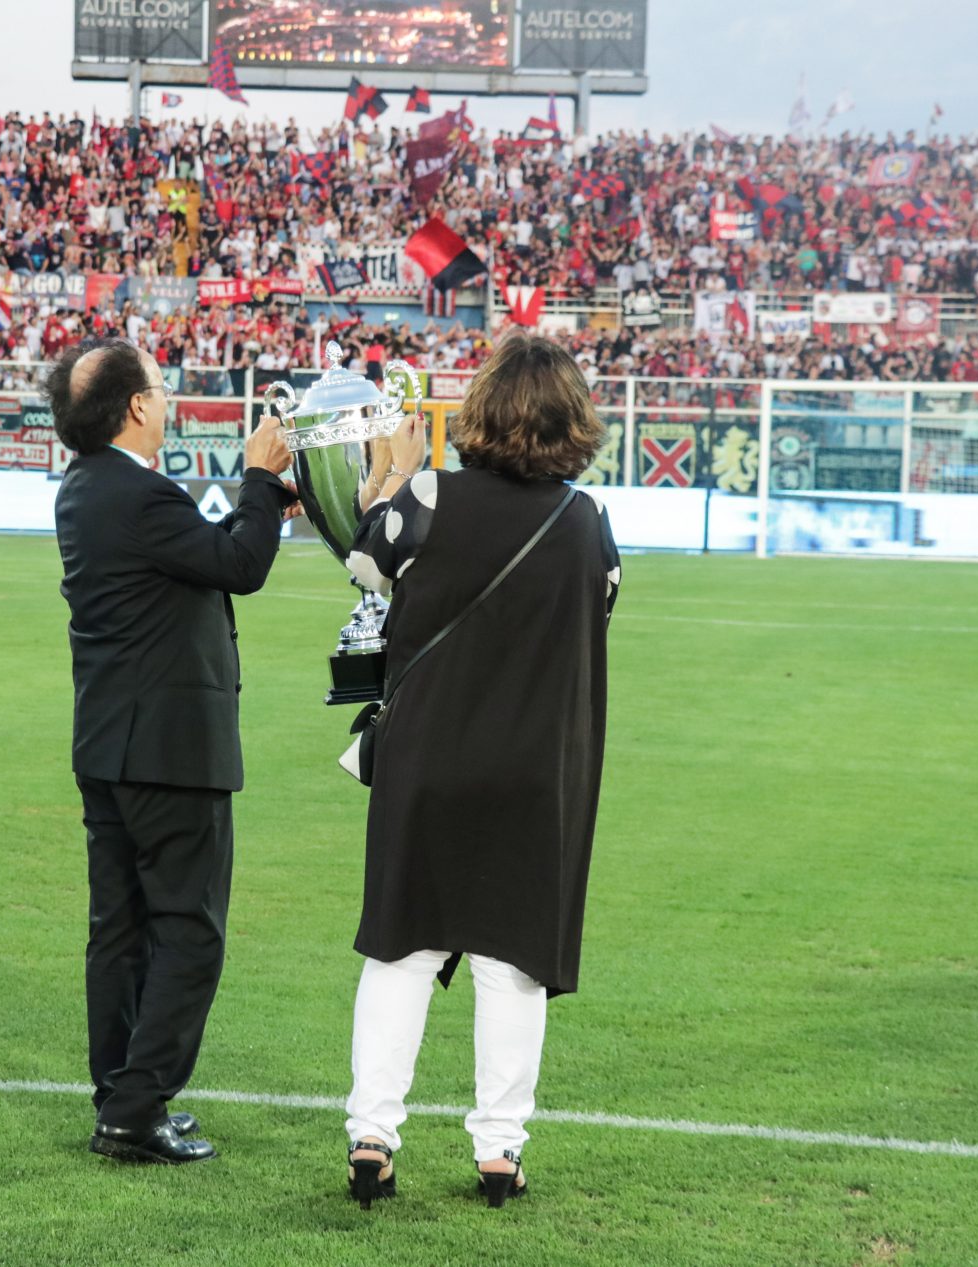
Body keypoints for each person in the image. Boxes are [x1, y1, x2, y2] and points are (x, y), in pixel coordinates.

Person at [338, 333, 620, 1210]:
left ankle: (372, 1135)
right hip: (534, 773)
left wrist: (389, 473)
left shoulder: (430, 495)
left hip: (427, 759)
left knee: (402, 947)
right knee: (513, 963)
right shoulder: (587, 521)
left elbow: (365, 563)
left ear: (483, 408)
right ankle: (500, 1149)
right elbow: (601, 606)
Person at [49, 336, 298, 1165]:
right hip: (171, 751)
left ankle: (120, 1097)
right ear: (136, 406)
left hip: (109, 745)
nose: (168, 398)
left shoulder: (90, 488)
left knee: (119, 931)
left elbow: (197, 555)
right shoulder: (142, 494)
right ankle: (136, 1108)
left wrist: (263, 504)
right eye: (159, 387)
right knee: (188, 931)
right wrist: (260, 478)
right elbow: (238, 565)